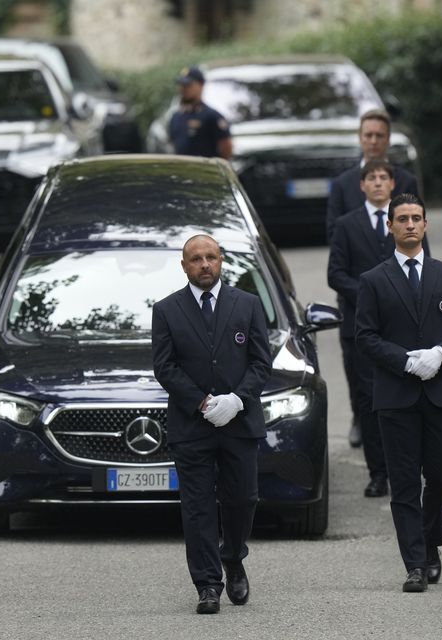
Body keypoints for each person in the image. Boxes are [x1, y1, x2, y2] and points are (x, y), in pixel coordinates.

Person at [355, 193, 442, 593]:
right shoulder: (373, 280)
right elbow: (365, 337)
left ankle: (429, 540)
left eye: (416, 218)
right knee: (405, 483)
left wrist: (440, 353)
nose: (409, 224)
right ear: (389, 226)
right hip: (396, 395)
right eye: (402, 218)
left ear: (426, 225)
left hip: (441, 393)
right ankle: (416, 565)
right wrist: (405, 361)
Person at [151, 234, 271, 614]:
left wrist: (237, 399)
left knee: (243, 499)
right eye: (196, 259)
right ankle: (207, 585)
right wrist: (201, 402)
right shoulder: (167, 309)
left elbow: (260, 362)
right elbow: (164, 366)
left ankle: (233, 557)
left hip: (239, 421)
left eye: (211, 257)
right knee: (198, 507)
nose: (205, 264)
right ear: (184, 266)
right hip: (192, 426)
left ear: (222, 261)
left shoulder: (248, 305)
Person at [327, 160, 431, 499]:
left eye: (383, 178)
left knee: (406, 399)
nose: (377, 183)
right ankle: (378, 473)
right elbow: (336, 274)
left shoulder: (408, 221)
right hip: (361, 327)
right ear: (361, 185)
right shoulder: (346, 224)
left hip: (403, 329)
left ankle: (408, 467)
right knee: (369, 401)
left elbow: (423, 266)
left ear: (392, 183)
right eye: (370, 178)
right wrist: (374, 294)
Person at [326, 109, 420, 449]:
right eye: (369, 135)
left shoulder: (406, 182)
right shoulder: (342, 185)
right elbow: (334, 241)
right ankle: (359, 419)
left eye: (380, 135)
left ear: (388, 138)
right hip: (356, 299)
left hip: (401, 298)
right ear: (360, 138)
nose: (374, 141)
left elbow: (416, 234)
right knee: (358, 370)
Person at [168, 66, 233, 160]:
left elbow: (226, 149)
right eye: (181, 85)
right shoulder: (176, 117)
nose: (183, 89)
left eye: (188, 85)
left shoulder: (211, 116)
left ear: (201, 85)